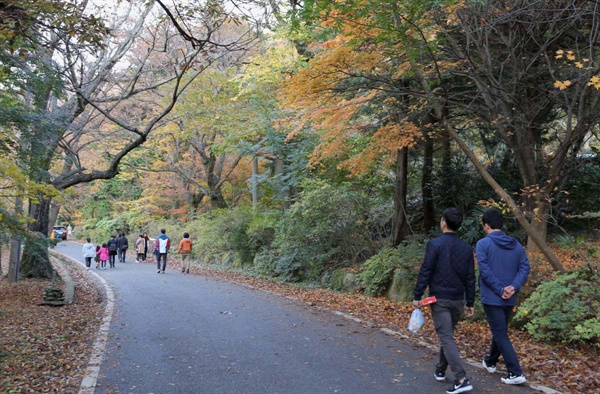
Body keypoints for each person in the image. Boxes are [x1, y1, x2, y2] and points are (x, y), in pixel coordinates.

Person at [413, 208, 475, 394]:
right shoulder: (466, 247)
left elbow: (426, 270)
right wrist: (470, 302)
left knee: (446, 337)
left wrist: (417, 295)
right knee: (447, 336)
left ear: (443, 223)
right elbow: (470, 277)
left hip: (439, 299)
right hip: (457, 299)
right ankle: (440, 369)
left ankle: (461, 378)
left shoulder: (435, 244)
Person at [477, 209, 530, 385]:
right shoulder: (516, 245)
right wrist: (513, 287)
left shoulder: (483, 244)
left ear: (486, 225)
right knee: (500, 331)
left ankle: (515, 372)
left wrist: (500, 290)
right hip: (509, 297)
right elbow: (524, 268)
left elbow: (484, 271)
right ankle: (490, 361)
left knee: (500, 333)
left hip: (493, 297)